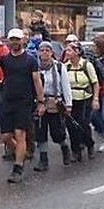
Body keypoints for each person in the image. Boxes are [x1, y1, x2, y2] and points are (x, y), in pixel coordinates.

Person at [0, 28, 43, 184]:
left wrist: (41, 101)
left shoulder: (30, 60)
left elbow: (37, 81)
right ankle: (21, 154)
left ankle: (18, 167)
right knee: (6, 136)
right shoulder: (4, 59)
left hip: (24, 101)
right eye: (12, 39)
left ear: (23, 40)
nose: (14, 42)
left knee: (20, 133)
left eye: (17, 39)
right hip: (7, 101)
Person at [34, 41, 73, 169]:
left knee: (57, 132)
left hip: (54, 103)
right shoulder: (35, 67)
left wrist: (68, 104)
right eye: (42, 50)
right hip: (40, 103)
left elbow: (65, 86)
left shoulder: (59, 67)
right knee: (41, 131)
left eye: (47, 50)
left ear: (52, 52)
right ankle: (43, 160)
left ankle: (64, 147)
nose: (44, 53)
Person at [63, 42, 100, 162]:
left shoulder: (86, 65)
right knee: (71, 125)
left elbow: (95, 83)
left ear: (77, 52)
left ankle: (89, 144)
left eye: (69, 50)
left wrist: (95, 99)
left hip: (85, 98)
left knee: (83, 124)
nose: (67, 53)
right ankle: (76, 150)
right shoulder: (65, 66)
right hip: (70, 99)